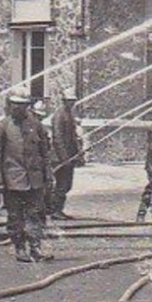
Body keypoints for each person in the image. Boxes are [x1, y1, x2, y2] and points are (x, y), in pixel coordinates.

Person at [0, 91, 51, 262]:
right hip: (12, 180)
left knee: (35, 214)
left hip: (34, 179)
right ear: (10, 105)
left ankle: (36, 247)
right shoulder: (3, 126)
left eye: (22, 104)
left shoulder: (36, 125)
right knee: (15, 216)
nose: (18, 108)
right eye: (15, 104)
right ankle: (19, 247)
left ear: (27, 106)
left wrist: (48, 175)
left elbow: (44, 152)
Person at [49, 88, 84, 219]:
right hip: (59, 157)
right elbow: (57, 138)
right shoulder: (59, 115)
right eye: (69, 101)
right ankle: (54, 210)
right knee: (61, 184)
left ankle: (57, 209)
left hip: (69, 156)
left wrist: (78, 153)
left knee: (66, 185)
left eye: (73, 101)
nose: (72, 103)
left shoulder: (69, 114)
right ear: (64, 101)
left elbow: (73, 137)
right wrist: (64, 158)